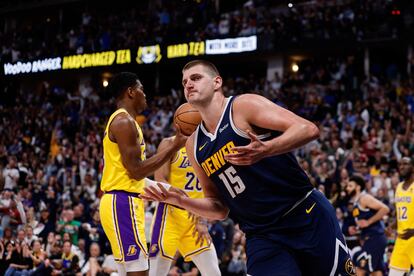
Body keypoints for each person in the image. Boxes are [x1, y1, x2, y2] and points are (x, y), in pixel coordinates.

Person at [142, 60, 356, 275]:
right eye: (184, 81)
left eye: (196, 78)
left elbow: (307, 129)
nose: (188, 84)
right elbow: (219, 207)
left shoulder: (243, 106)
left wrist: (267, 149)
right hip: (262, 235)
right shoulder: (194, 145)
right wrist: (181, 201)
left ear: (217, 82)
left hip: (304, 215)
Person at [99, 72, 186, 276]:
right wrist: (173, 147)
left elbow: (129, 175)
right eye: (141, 89)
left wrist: (165, 189)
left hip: (122, 200)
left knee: (129, 271)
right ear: (130, 92)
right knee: (139, 272)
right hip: (122, 203)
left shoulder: (127, 122)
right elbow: (136, 171)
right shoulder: (123, 123)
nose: (145, 95)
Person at [149, 138, 220, 276]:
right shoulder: (169, 143)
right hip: (169, 216)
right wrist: (180, 197)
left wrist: (202, 219)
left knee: (213, 272)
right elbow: (159, 179)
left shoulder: (208, 147)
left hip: (195, 219)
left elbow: (211, 190)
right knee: (157, 272)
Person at [345, 175, 389, 276]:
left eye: (350, 186)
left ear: (358, 187)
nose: (347, 188)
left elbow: (385, 209)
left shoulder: (364, 198)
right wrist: (356, 229)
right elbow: (363, 223)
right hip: (371, 238)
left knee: (359, 271)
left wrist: (369, 222)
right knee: (376, 272)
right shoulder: (356, 202)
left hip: (375, 238)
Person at [388, 157, 414, 276]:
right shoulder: (398, 187)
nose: (401, 166)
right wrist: (390, 226)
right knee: (393, 273)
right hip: (402, 240)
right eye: (400, 164)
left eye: (405, 164)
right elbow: (401, 214)